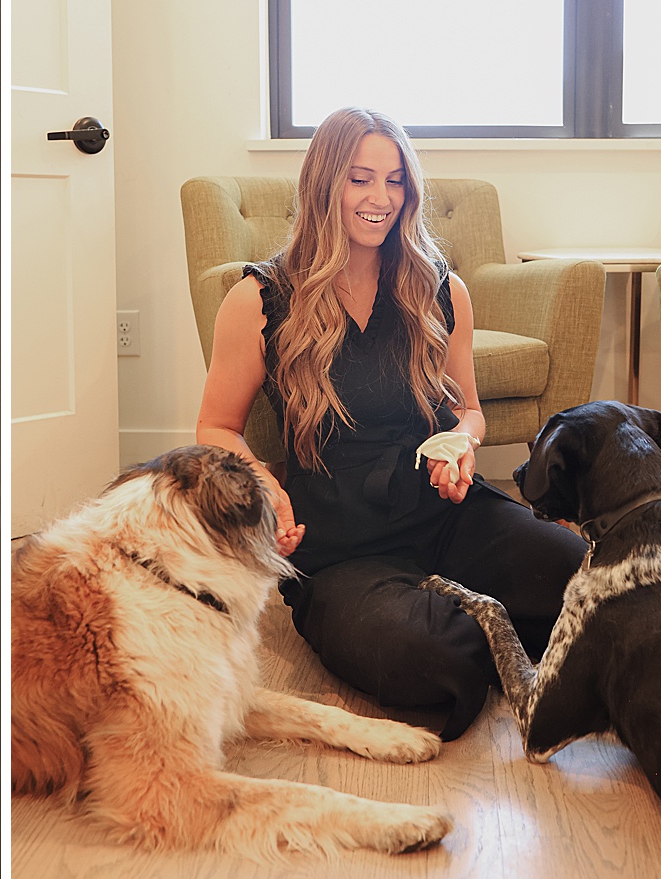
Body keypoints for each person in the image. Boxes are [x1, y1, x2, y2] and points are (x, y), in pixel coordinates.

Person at [196, 107, 587, 740]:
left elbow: (468, 409)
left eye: (396, 180)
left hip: (445, 511)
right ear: (324, 184)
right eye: (360, 179)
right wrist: (267, 487)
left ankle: (470, 603)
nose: (381, 198)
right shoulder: (258, 299)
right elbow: (216, 426)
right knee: (427, 660)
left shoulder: (438, 287)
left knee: (582, 577)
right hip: (342, 546)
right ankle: (475, 619)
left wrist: (462, 441)